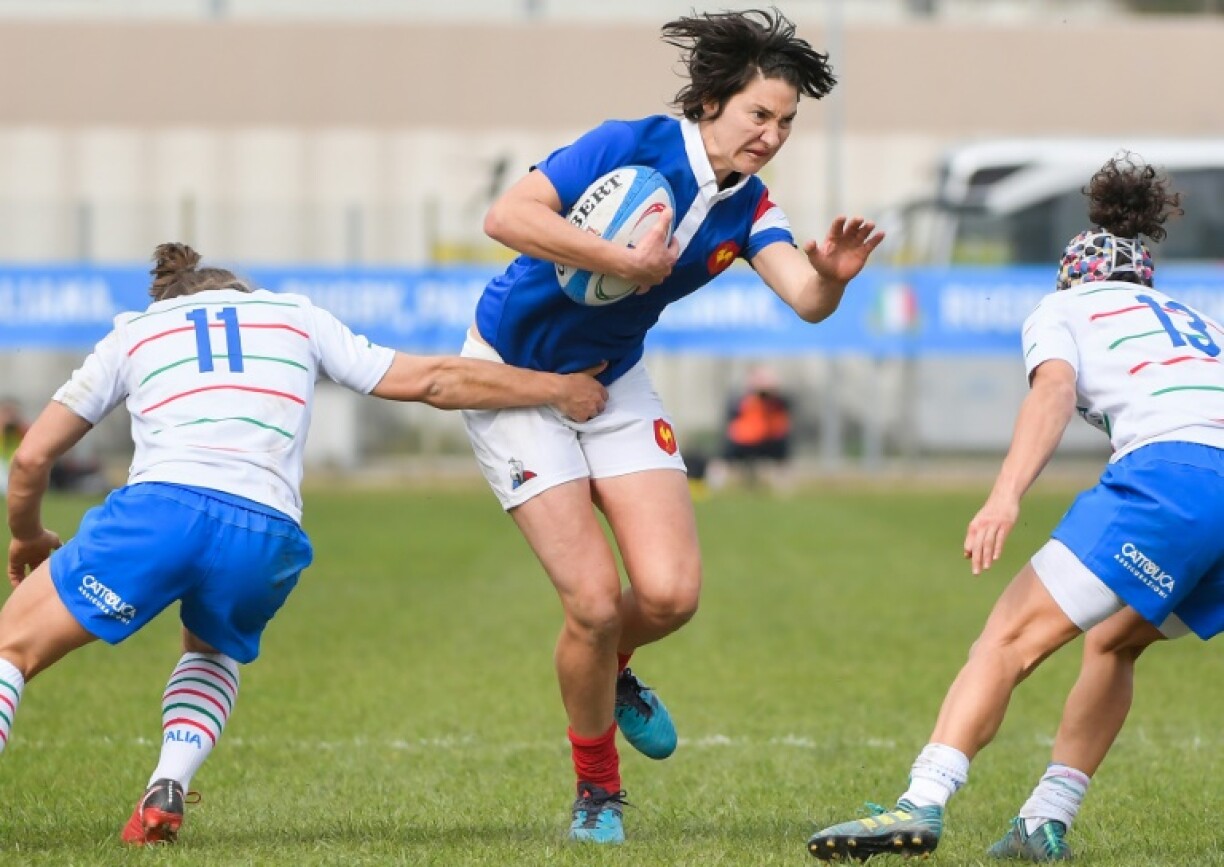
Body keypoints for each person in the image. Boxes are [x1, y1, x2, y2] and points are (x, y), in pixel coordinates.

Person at [2, 242, 608, 846]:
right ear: (240, 293)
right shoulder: (294, 315)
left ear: (171, 298)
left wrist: (28, 535)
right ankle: (168, 782)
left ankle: (165, 782)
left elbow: (31, 457)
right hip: (266, 530)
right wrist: (555, 389)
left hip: (163, 510)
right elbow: (435, 380)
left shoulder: (136, 332)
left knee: (11, 650)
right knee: (211, 651)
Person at [460, 9, 884, 844]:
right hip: (513, 377)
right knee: (589, 601)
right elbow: (506, 217)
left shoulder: (750, 204)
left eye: (787, 122)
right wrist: (622, 259)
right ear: (713, 101)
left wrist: (833, 279)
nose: (772, 134)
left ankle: (611, 669)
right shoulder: (630, 143)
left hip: (614, 382)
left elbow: (804, 299)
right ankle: (597, 792)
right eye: (760, 114)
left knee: (669, 594)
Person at [806, 152, 1224, 863]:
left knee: (1006, 640)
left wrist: (1004, 496)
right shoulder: (1194, 318)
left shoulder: (1063, 307)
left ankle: (921, 802)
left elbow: (1053, 392)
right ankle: (1044, 822)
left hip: (1171, 475)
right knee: (1116, 639)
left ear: (1072, 273)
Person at [714, 364, 793, 489]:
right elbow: (734, 420)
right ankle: (714, 487)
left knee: (782, 455)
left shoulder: (777, 403)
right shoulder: (744, 401)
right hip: (744, 441)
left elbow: (782, 420)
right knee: (723, 457)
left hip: (768, 440)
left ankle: (784, 489)